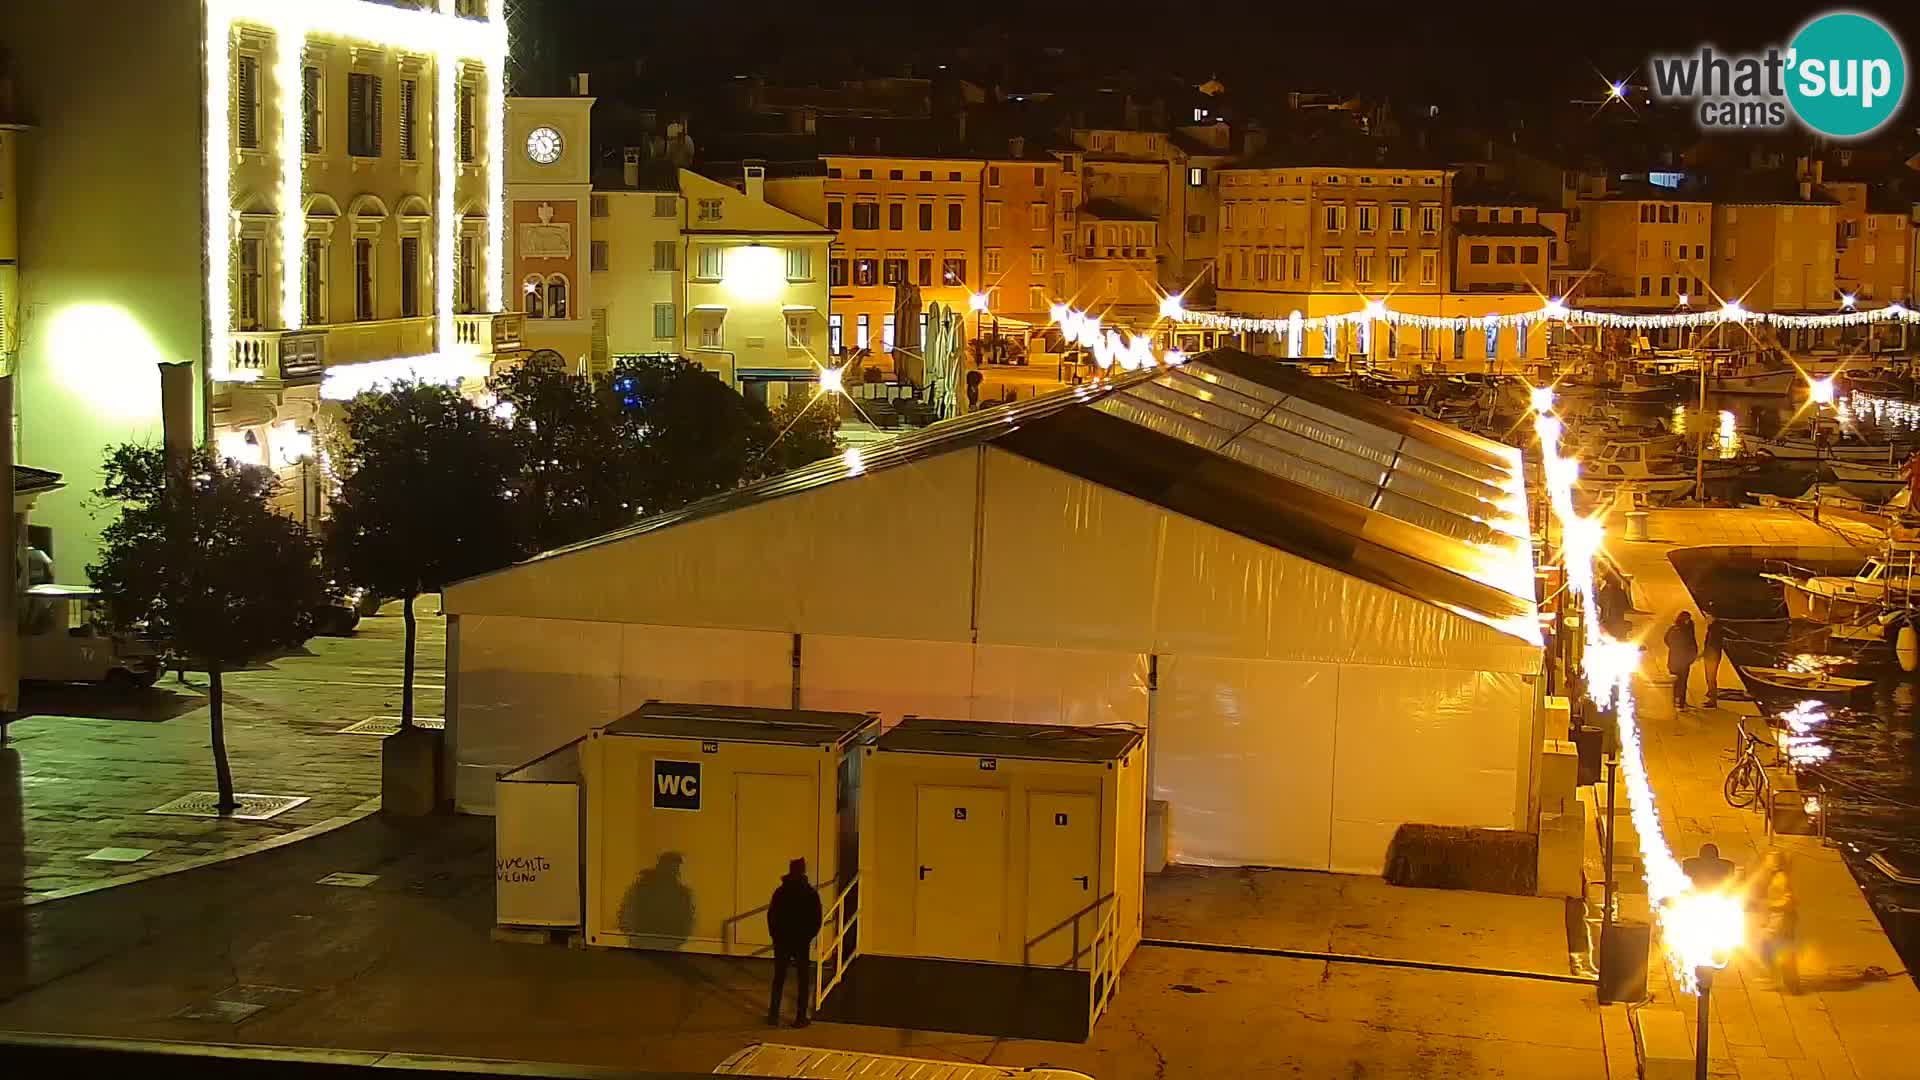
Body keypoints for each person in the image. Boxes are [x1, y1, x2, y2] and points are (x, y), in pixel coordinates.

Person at [766, 857, 823, 1028]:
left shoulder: (780, 892)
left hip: (782, 940)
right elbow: (816, 919)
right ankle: (800, 1017)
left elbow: (771, 916)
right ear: (803, 871)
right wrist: (807, 936)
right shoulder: (810, 893)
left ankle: (773, 1015)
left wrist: (775, 936)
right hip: (800, 942)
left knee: (779, 978)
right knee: (803, 980)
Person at [1746, 851, 1801, 993]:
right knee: (1783, 949)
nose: (1766, 864)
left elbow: (1789, 900)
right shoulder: (1778, 877)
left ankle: (1772, 977)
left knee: (1766, 944)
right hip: (1782, 919)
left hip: (1782, 919)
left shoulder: (1780, 879)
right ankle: (1790, 982)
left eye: (1769, 861)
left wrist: (1770, 906)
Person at [1665, 611, 1699, 710]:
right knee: (1682, 682)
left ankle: (1675, 700)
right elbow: (1692, 645)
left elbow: (1666, 640)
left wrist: (1673, 648)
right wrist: (1691, 658)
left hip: (1673, 660)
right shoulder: (1687, 632)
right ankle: (1681, 702)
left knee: (1675, 682)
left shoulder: (1673, 629)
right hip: (1683, 662)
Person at [1701, 611, 1725, 708]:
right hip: (1710, 655)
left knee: (1711, 678)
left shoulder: (1715, 630)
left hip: (1712, 657)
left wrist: (1705, 654)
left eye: (1707, 617)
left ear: (1712, 618)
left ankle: (1713, 700)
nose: (1706, 620)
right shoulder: (1713, 628)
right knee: (1709, 678)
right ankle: (1711, 696)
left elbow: (1713, 645)